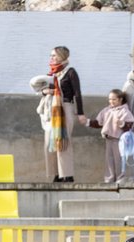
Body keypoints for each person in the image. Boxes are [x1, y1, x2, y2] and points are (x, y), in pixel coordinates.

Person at [38, 46, 88, 183]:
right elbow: (41, 89)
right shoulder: (51, 74)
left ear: (61, 56)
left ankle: (66, 174)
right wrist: (44, 92)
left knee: (63, 142)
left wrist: (81, 113)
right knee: (49, 142)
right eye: (51, 55)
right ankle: (55, 174)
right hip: (52, 110)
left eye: (54, 55)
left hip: (65, 108)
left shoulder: (70, 72)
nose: (51, 58)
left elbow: (77, 93)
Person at [87, 89, 134, 184]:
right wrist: (87, 122)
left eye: (114, 99)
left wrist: (122, 123)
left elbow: (131, 124)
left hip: (119, 139)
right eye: (110, 99)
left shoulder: (125, 111)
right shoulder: (106, 110)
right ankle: (109, 178)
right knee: (109, 159)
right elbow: (99, 122)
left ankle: (121, 178)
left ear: (120, 99)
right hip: (108, 138)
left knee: (119, 159)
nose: (111, 101)